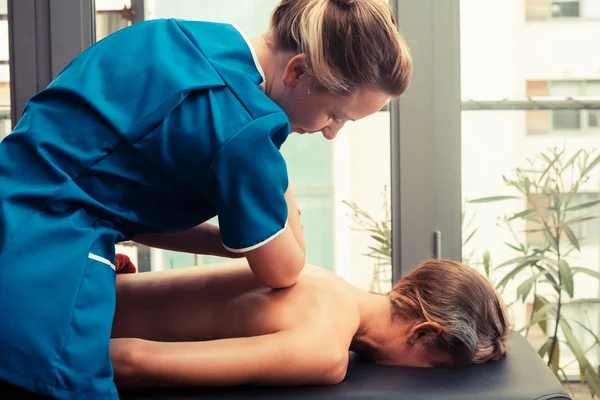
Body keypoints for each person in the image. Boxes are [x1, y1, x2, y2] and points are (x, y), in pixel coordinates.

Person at [0, 0, 412, 398]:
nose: (331, 132)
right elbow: (284, 269)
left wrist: (233, 238)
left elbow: (124, 207)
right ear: (299, 71)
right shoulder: (246, 132)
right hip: (43, 252)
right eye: (337, 114)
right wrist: (276, 170)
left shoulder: (175, 37)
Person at [109, 257, 510, 388]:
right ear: (424, 333)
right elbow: (131, 360)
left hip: (93, 279)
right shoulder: (324, 351)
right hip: (73, 317)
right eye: (434, 372)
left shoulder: (326, 279)